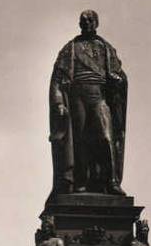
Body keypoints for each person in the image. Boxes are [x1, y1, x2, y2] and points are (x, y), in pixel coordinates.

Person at [49, 10, 128, 197]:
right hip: (78, 96)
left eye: (90, 20)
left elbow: (118, 74)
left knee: (106, 137)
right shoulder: (71, 48)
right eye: (83, 20)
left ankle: (111, 181)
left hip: (99, 95)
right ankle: (80, 181)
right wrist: (59, 101)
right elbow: (58, 79)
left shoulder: (106, 48)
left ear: (96, 23)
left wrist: (117, 81)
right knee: (81, 139)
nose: (86, 23)